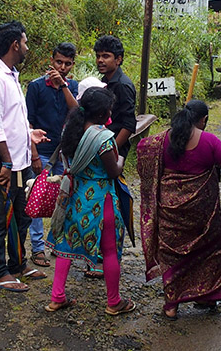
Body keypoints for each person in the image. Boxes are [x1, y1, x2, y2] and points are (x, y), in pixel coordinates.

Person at [136, 100, 221, 320]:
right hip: (202, 215)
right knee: (208, 250)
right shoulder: (209, 141)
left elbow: (142, 150)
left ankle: (171, 305)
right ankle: (206, 296)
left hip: (169, 210)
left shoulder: (162, 140)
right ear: (203, 120)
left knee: (172, 255)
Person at [44, 87, 136, 316]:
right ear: (101, 113)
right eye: (109, 111)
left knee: (65, 247)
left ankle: (57, 297)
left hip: (75, 198)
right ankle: (114, 302)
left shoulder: (70, 130)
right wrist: (122, 160)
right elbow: (113, 172)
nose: (111, 115)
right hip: (101, 201)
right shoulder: (103, 138)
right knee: (110, 252)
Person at [0, 21, 49, 293]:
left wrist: (29, 135)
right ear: (14, 45)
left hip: (19, 163)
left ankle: (18, 265)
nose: (27, 47)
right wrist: (6, 163)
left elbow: (12, 119)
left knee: (22, 216)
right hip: (2, 166)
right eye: (25, 42)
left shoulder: (10, 74)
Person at [25, 42, 80, 268]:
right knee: (37, 198)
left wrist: (64, 86)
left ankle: (58, 243)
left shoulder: (72, 86)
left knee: (64, 198)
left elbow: (77, 112)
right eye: (59, 62)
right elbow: (27, 122)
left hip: (65, 153)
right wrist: (34, 154)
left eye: (67, 64)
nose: (63, 67)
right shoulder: (36, 87)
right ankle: (37, 249)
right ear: (52, 60)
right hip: (43, 152)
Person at [90, 35, 137, 279]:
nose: (101, 60)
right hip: (104, 148)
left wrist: (111, 150)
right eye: (98, 56)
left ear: (118, 60)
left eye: (106, 56)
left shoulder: (122, 85)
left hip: (112, 151)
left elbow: (129, 125)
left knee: (114, 202)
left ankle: (110, 257)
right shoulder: (105, 82)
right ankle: (100, 254)